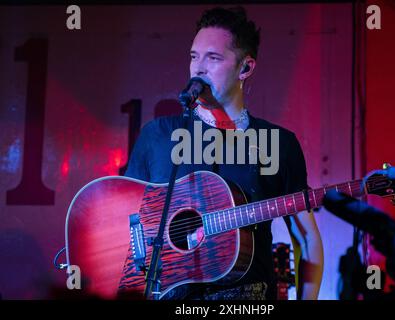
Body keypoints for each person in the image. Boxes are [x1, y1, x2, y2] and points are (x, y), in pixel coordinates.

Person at [125, 6, 323, 300]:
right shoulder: (159, 135)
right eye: (194, 56)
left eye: (213, 58)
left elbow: (307, 240)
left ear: (245, 68)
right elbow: (120, 217)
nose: (198, 68)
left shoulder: (277, 144)